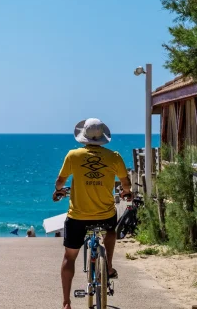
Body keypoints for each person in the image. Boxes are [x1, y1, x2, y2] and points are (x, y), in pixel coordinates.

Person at [53, 118, 131, 309]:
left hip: (78, 216)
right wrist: (125, 191)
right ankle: (109, 265)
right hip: (105, 214)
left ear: (83, 137)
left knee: (69, 257)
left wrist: (60, 190)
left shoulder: (73, 156)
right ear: (102, 137)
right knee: (111, 231)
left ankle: (66, 302)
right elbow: (126, 183)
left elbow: (59, 182)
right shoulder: (114, 157)